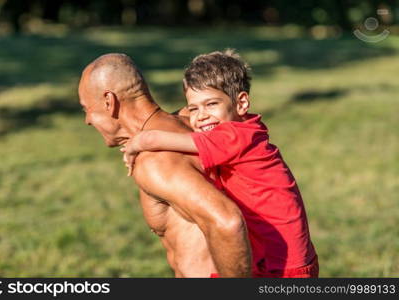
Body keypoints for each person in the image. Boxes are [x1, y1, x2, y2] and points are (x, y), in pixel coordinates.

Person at [122, 50, 319, 278]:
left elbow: (155, 138)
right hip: (271, 255)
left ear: (241, 102)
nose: (201, 116)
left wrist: (136, 143)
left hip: (285, 267)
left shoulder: (232, 137)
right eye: (194, 108)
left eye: (211, 104)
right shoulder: (246, 128)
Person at [78, 53, 252, 278]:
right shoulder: (191, 121)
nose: (87, 120)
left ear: (109, 102)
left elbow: (227, 223)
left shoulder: (155, 160)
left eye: (86, 108)